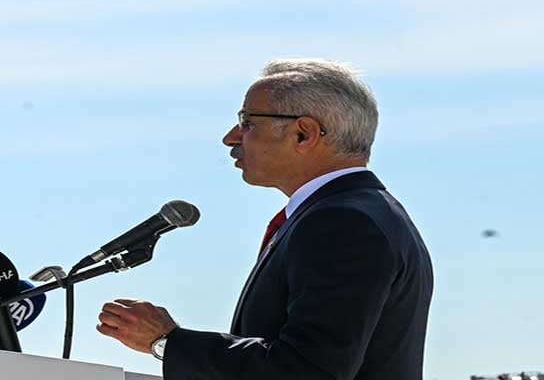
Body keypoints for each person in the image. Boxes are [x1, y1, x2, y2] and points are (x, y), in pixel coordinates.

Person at [96, 59, 433, 380]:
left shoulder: (343, 222)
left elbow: (307, 371)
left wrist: (167, 342)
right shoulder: (360, 213)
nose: (230, 137)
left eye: (247, 122)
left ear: (304, 133)